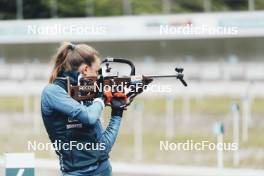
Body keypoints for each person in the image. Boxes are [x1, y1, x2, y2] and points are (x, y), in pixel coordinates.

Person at [41, 42, 126, 176]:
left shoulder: (86, 97)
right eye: (98, 72)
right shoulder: (52, 92)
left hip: (103, 170)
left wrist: (117, 112)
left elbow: (103, 148)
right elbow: (89, 117)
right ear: (85, 69)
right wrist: (100, 99)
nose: (99, 77)